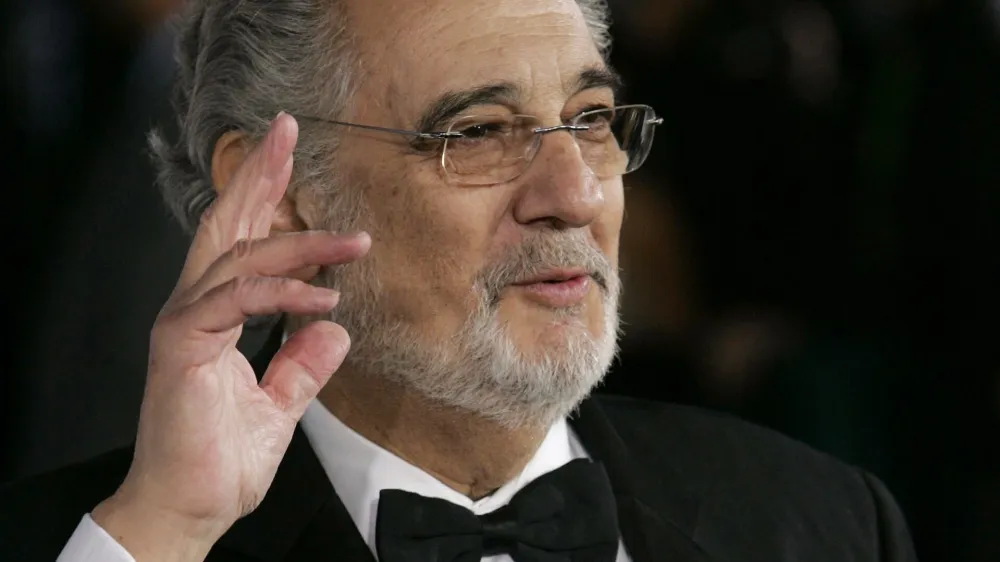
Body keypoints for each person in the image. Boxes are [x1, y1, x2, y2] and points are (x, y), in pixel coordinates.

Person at [0, 0, 918, 561]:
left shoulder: (823, 522)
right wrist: (167, 531)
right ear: (279, 195)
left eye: (591, 119)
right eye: (477, 132)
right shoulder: (105, 541)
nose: (575, 195)